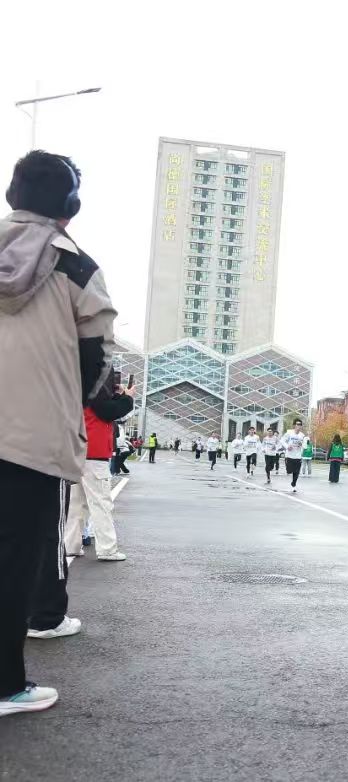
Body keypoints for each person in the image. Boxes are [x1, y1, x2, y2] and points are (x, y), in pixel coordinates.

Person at [0, 150, 117, 716]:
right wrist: (80, 400)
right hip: (31, 440)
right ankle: (5, 685)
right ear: (71, 205)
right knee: (16, 559)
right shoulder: (76, 267)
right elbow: (97, 362)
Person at [64, 375, 134, 564]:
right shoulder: (95, 384)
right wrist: (127, 398)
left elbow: (102, 406)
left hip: (77, 451)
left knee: (76, 504)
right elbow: (107, 411)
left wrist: (117, 396)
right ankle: (107, 548)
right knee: (101, 503)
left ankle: (71, 545)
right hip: (94, 452)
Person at [281, 419, 306, 492]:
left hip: (298, 456)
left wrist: (302, 444)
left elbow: (305, 446)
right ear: (294, 425)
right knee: (289, 471)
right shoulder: (289, 433)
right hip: (289, 455)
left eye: (300, 424)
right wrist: (287, 446)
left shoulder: (302, 435)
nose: (299, 426)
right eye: (297, 424)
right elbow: (282, 440)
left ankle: (294, 484)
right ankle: (289, 472)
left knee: (297, 472)